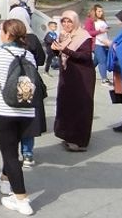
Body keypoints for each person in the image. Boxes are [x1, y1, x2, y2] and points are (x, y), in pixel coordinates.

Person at [0, 19, 36, 216]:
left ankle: (21, 199)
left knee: (10, 155)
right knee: (12, 150)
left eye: (1, 32)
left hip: (3, 112)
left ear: (7, 34)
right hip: (26, 111)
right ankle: (6, 179)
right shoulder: (28, 54)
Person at [8, 6, 46, 168]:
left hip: (10, 83)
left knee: (13, 118)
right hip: (30, 82)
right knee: (29, 118)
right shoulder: (33, 38)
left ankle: (12, 154)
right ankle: (28, 153)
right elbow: (41, 60)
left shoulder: (7, 39)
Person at [52, 10, 95, 152]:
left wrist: (66, 50)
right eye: (63, 21)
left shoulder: (84, 37)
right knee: (66, 105)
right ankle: (67, 135)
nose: (66, 24)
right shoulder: (64, 35)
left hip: (82, 77)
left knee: (80, 106)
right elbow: (61, 54)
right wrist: (55, 50)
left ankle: (80, 141)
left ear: (75, 22)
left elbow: (85, 57)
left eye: (69, 21)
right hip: (68, 75)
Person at [84, 4, 111, 86]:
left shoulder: (102, 20)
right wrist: (100, 31)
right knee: (103, 60)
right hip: (96, 43)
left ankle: (84, 73)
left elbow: (104, 32)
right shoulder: (90, 20)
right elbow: (87, 32)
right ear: (94, 11)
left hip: (104, 43)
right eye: (99, 11)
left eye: (102, 11)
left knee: (96, 61)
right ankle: (104, 80)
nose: (101, 13)